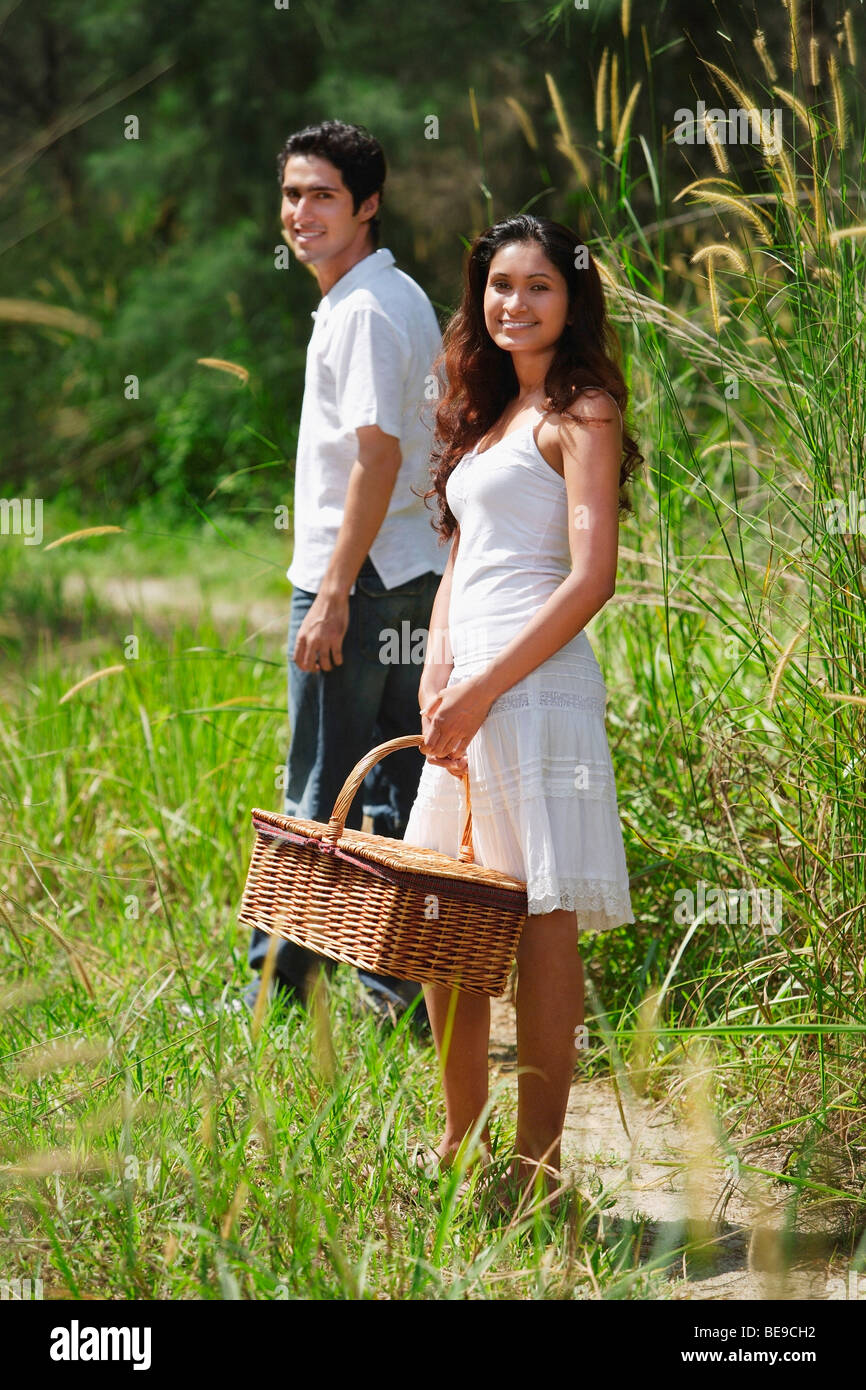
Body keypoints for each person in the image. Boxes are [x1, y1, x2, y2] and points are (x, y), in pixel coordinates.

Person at [401, 213, 642, 1192]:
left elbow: (591, 578)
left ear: (570, 296)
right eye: (499, 286)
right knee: (437, 913)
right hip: (462, 692)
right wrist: (434, 672)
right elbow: (460, 560)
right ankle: (463, 1136)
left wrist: (483, 685)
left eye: (537, 286)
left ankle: (534, 1165)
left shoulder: (581, 409)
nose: (514, 303)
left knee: (541, 916)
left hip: (534, 690)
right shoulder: (491, 410)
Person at [245, 120, 445, 1022]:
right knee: (395, 790)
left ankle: (278, 995)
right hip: (407, 573)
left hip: (357, 583)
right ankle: (388, 995)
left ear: (367, 204)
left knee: (318, 789)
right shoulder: (389, 293)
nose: (301, 211)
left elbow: (376, 455)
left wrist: (329, 592)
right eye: (292, 193)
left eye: (322, 193)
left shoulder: (364, 309)